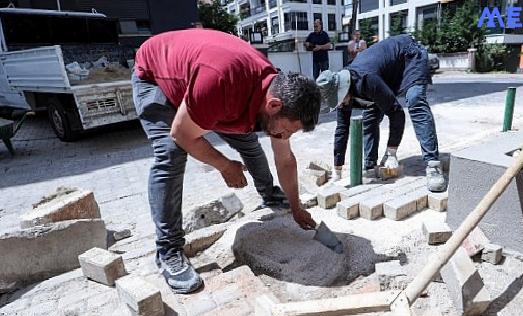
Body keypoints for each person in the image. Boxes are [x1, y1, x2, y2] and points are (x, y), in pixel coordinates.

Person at [132, 29, 320, 294]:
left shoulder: (272, 92)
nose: (285, 136)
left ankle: (269, 194)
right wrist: (224, 165)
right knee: (171, 155)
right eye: (288, 130)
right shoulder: (221, 82)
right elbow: (182, 133)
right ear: (274, 105)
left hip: (205, 86)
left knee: (250, 141)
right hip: (156, 77)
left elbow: (285, 159)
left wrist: (296, 207)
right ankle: (168, 250)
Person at [316, 34, 446, 192]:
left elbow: (397, 113)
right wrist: (337, 172)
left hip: (409, 56)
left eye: (339, 98)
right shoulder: (342, 93)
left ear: (343, 88)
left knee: (415, 100)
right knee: (370, 115)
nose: (341, 103)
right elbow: (342, 129)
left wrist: (392, 151)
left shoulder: (366, 80)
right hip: (384, 74)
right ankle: (370, 165)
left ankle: (433, 165)